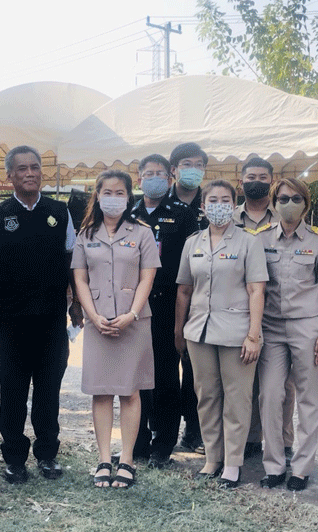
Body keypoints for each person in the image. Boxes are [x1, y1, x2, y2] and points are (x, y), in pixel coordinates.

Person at [0, 145, 82, 484]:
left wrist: (76, 302)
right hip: (11, 320)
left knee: (49, 391)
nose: (30, 173)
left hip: (52, 319)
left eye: (35, 167)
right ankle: (14, 458)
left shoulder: (59, 212)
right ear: (9, 175)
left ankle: (47, 454)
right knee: (13, 392)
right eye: (22, 168)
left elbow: (72, 260)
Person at [175, 180, 267, 488]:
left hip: (237, 333)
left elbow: (256, 290)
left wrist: (253, 335)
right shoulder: (193, 243)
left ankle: (232, 462)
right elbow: (184, 290)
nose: (218, 205)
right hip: (199, 331)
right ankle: (212, 458)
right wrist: (179, 330)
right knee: (207, 396)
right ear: (202, 206)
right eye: (212, 200)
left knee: (237, 399)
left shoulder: (248, 242)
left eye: (225, 200)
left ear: (234, 204)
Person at [72, 170, 160, 488]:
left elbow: (148, 277)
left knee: (130, 391)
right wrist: (92, 316)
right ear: (97, 196)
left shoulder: (143, 233)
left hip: (132, 322)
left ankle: (127, 460)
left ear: (128, 197)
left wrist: (132, 314)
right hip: (99, 322)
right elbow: (80, 279)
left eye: (120, 192)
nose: (113, 198)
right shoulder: (85, 234)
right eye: (107, 192)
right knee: (101, 391)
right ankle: (103, 460)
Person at [253, 177, 318, 491]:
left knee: (308, 399)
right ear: (274, 202)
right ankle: (274, 465)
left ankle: (302, 468)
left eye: (296, 199)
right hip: (271, 328)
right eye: (283, 199)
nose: (289, 204)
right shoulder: (260, 239)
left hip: (307, 326)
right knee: (269, 396)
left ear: (306, 203)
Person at [130, 154, 198, 469]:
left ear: (169, 178)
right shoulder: (129, 213)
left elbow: (191, 264)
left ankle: (163, 445)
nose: (154, 178)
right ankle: (137, 442)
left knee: (167, 376)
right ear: (139, 178)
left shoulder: (183, 215)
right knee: (134, 376)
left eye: (160, 173)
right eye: (148, 173)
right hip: (133, 306)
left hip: (168, 305)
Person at [233, 157, 295, 463]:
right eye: (250, 177)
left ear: (272, 181)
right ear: (240, 181)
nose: (256, 181)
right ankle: (248, 438)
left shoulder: (285, 213)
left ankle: (283, 440)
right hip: (237, 312)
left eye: (262, 177)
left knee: (280, 384)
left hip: (278, 312)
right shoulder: (229, 217)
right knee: (245, 380)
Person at [168, 143, 209, 454]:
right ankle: (162, 429)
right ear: (174, 170)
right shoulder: (158, 203)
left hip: (202, 300)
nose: (193, 170)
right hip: (162, 297)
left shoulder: (212, 204)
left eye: (199, 165)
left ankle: (194, 431)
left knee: (197, 370)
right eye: (187, 164)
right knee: (164, 367)